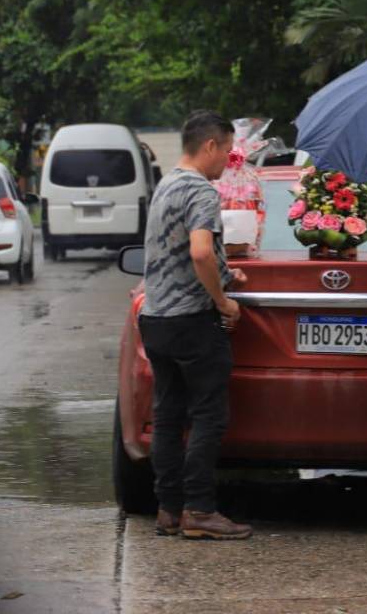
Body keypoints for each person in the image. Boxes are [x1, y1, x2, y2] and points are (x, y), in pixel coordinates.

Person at [139, 110, 251, 540]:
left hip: (156, 319)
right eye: (227, 150)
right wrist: (223, 302)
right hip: (191, 322)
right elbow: (200, 251)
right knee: (209, 414)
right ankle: (200, 510)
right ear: (210, 146)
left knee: (168, 415)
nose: (228, 158)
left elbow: (179, 253)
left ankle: (168, 508)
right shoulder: (201, 191)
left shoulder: (166, 184)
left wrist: (224, 273)